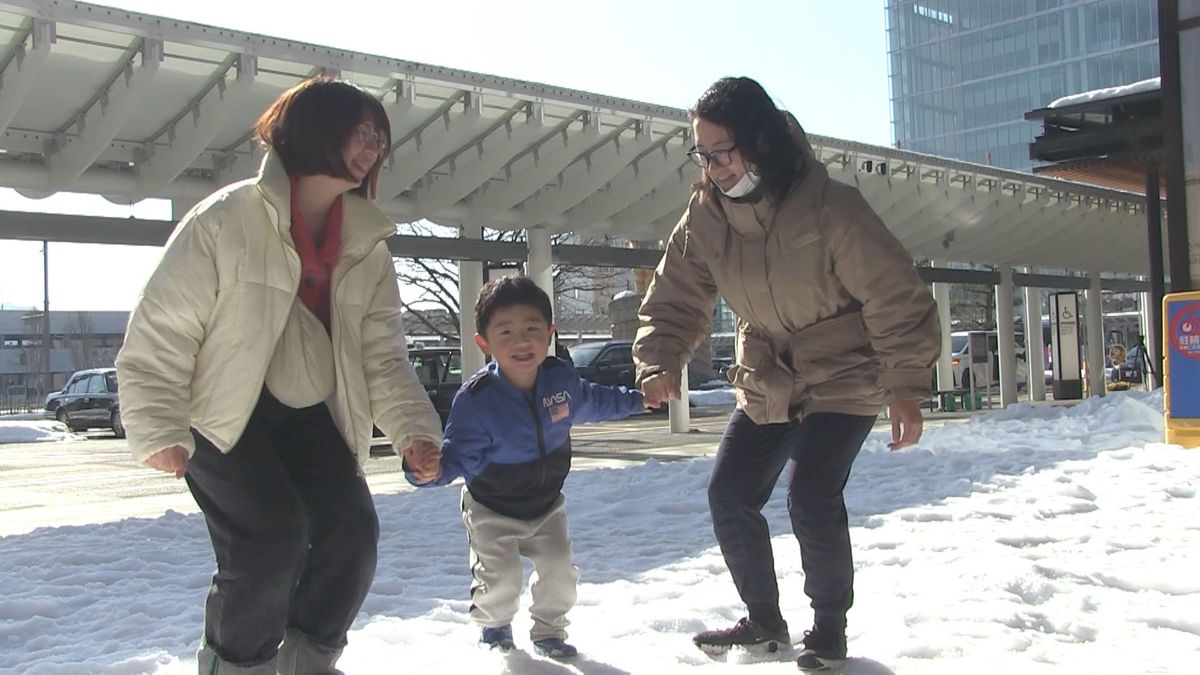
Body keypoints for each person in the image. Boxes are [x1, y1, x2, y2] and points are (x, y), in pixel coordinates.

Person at [115, 76, 444, 674]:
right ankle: (236, 667)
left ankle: (307, 663)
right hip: (221, 413)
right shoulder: (226, 218)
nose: (372, 147)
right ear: (313, 130)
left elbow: (383, 354)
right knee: (271, 540)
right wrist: (158, 423)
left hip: (308, 410)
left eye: (378, 137)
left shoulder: (369, 244)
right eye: (359, 131)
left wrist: (413, 430)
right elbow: (163, 328)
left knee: (351, 532)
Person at [633, 77, 940, 672]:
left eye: (722, 151)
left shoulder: (831, 206)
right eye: (702, 154)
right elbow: (674, 293)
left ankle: (827, 630)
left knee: (811, 492)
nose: (713, 167)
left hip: (846, 371)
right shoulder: (705, 215)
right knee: (730, 492)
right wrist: (659, 358)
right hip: (769, 372)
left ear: (761, 142)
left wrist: (905, 388)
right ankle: (766, 623)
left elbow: (896, 296)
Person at [404, 275, 645, 659]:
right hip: (492, 507)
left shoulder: (559, 379)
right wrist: (427, 471)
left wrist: (639, 399)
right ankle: (494, 625)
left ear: (549, 333)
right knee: (501, 580)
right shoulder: (477, 399)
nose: (521, 341)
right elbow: (455, 456)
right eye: (506, 331)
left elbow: (594, 400)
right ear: (484, 343)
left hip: (547, 505)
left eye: (532, 329)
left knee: (560, 573)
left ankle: (549, 632)